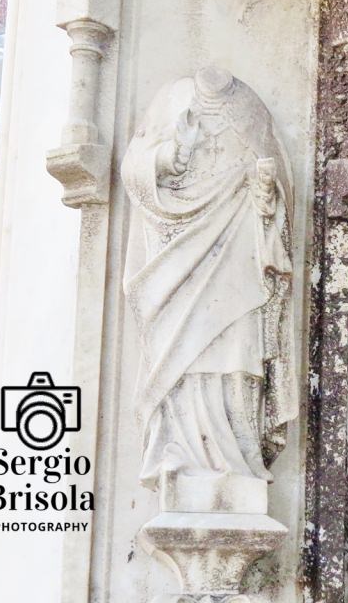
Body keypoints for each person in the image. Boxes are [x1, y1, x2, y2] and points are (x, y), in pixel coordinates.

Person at [122, 66, 296, 490]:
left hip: (237, 253)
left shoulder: (250, 107)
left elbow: (276, 194)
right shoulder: (172, 97)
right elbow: (134, 168)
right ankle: (178, 453)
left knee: (237, 351)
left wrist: (265, 195)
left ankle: (239, 458)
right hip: (178, 251)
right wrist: (170, 156)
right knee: (180, 352)